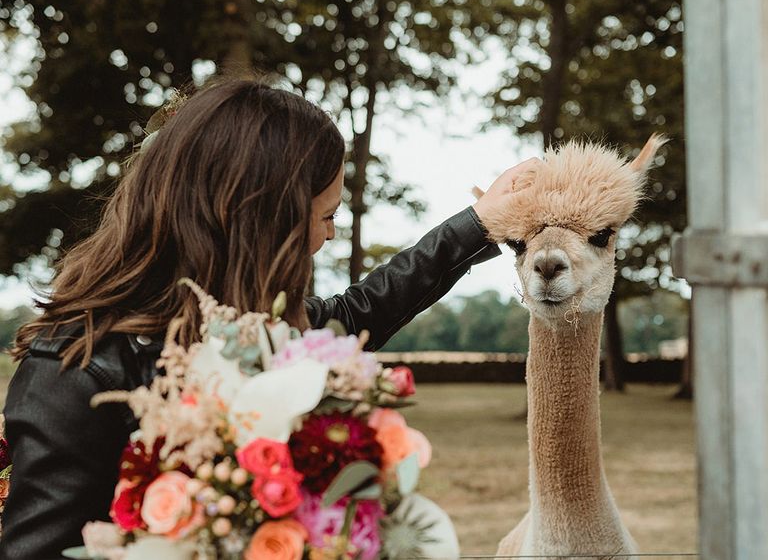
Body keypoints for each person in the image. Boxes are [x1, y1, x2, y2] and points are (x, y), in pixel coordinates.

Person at [0, 78, 537, 559]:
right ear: (261, 221)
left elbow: (362, 310)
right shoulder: (77, 371)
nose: (328, 237)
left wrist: (480, 222)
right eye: (325, 217)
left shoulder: (258, 333)